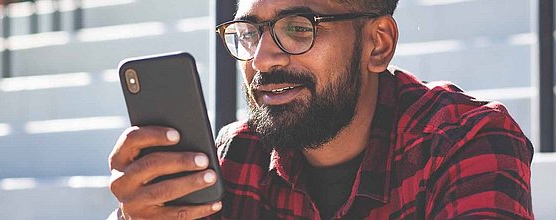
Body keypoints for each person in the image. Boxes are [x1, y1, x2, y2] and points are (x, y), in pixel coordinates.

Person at [108, 0, 534, 219]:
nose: (262, 59)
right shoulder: (235, 158)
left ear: (378, 44)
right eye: (249, 33)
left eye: (298, 29)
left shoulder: (464, 142)